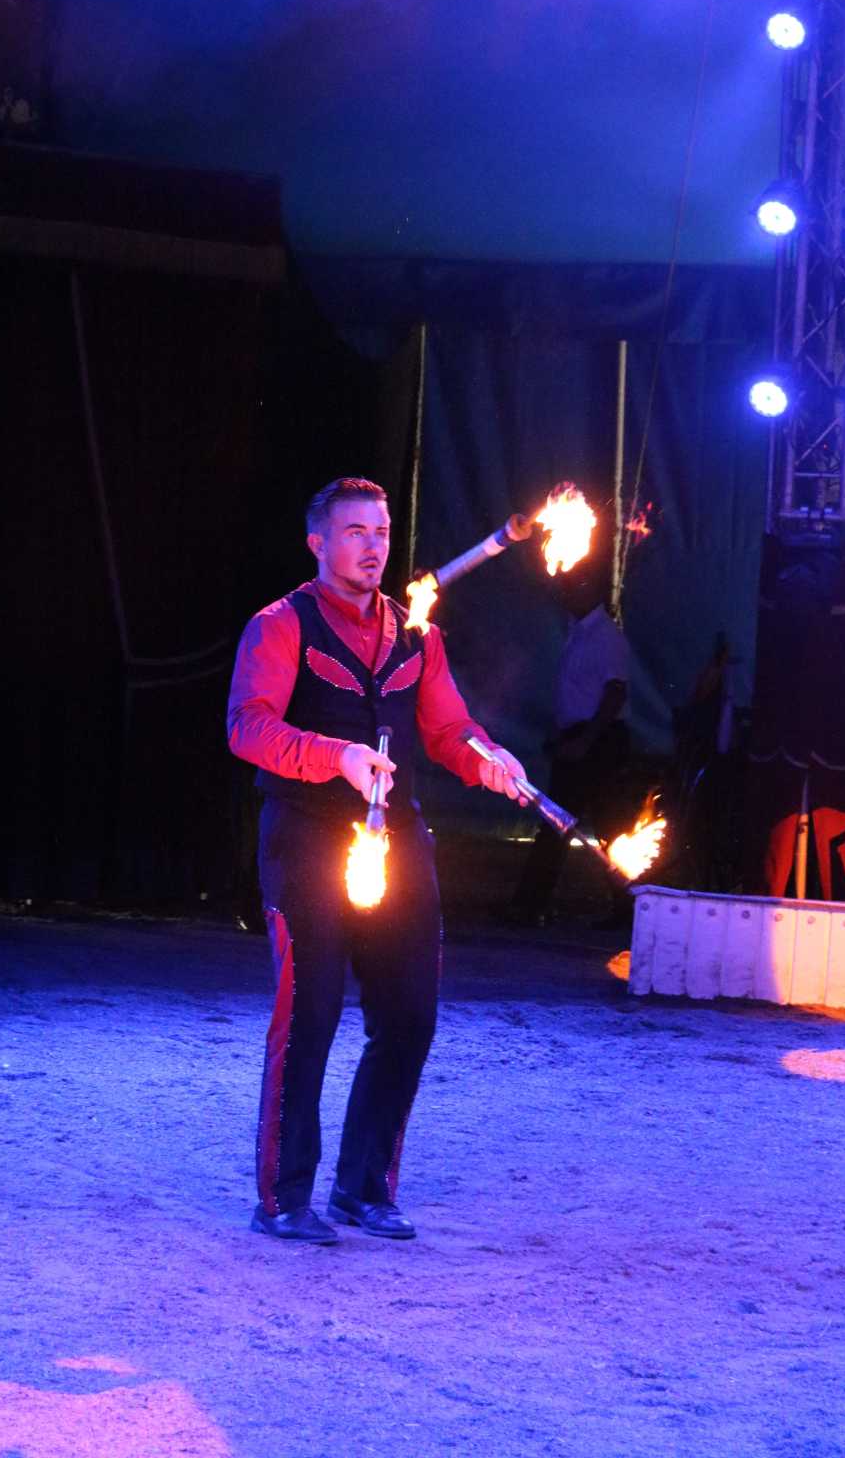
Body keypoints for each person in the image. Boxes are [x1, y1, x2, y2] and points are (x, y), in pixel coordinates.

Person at [227, 477, 527, 1244]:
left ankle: (362, 1189)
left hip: (394, 838)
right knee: (311, 1015)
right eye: (355, 532)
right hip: (305, 837)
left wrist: (488, 759)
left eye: (382, 532)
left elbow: (448, 730)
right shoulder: (279, 625)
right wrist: (336, 756)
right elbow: (247, 728)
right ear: (318, 543)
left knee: (409, 1016)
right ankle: (283, 1198)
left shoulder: (416, 632)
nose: (372, 546)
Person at [511, 554, 630, 924]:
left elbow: (615, 693)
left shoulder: (604, 635)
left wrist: (586, 740)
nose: (564, 593)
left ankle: (627, 906)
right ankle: (533, 903)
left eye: (571, 586)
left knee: (596, 825)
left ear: (588, 588)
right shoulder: (579, 631)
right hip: (582, 736)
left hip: (598, 740)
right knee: (563, 822)